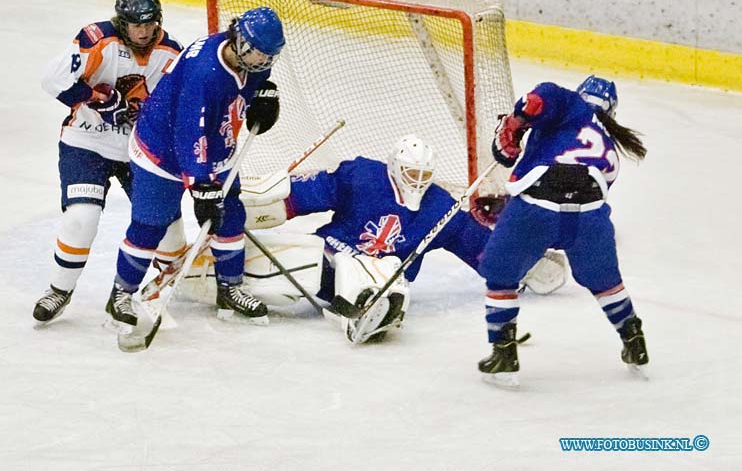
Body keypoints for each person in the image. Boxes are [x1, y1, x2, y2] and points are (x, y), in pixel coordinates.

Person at [228, 134, 566, 343]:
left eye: (425, 175)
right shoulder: (360, 175)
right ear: (393, 167)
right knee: (298, 255)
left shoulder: (440, 207)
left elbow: (480, 249)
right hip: (329, 257)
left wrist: (524, 263)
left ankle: (374, 310)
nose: (418, 181)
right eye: (411, 173)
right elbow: (301, 197)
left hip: (382, 276)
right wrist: (248, 209)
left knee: (386, 275)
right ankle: (222, 276)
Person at [107, 6, 284, 331]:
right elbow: (190, 134)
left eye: (267, 56)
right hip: (160, 151)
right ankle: (121, 293)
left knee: (230, 215)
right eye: (258, 54)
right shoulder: (204, 75)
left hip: (214, 145)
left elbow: (254, 81)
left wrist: (265, 93)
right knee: (150, 225)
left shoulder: (244, 56)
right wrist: (202, 188)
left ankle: (229, 288)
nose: (263, 62)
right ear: (242, 43)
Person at [477, 75, 649, 387]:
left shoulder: (573, 106)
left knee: (500, 274)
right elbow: (572, 188)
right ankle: (633, 338)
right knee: (606, 282)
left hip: (536, 205)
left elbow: (545, 96)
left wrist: (519, 120)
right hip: (589, 216)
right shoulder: (610, 152)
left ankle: (503, 353)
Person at [34, 0, 186, 323]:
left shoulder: (172, 53)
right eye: (136, 25)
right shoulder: (97, 40)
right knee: (81, 218)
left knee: (169, 223)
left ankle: (181, 277)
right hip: (87, 142)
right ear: (122, 23)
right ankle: (59, 289)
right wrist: (94, 98)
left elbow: (180, 108)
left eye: (149, 23)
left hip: (141, 151)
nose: (144, 31)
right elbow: (52, 79)